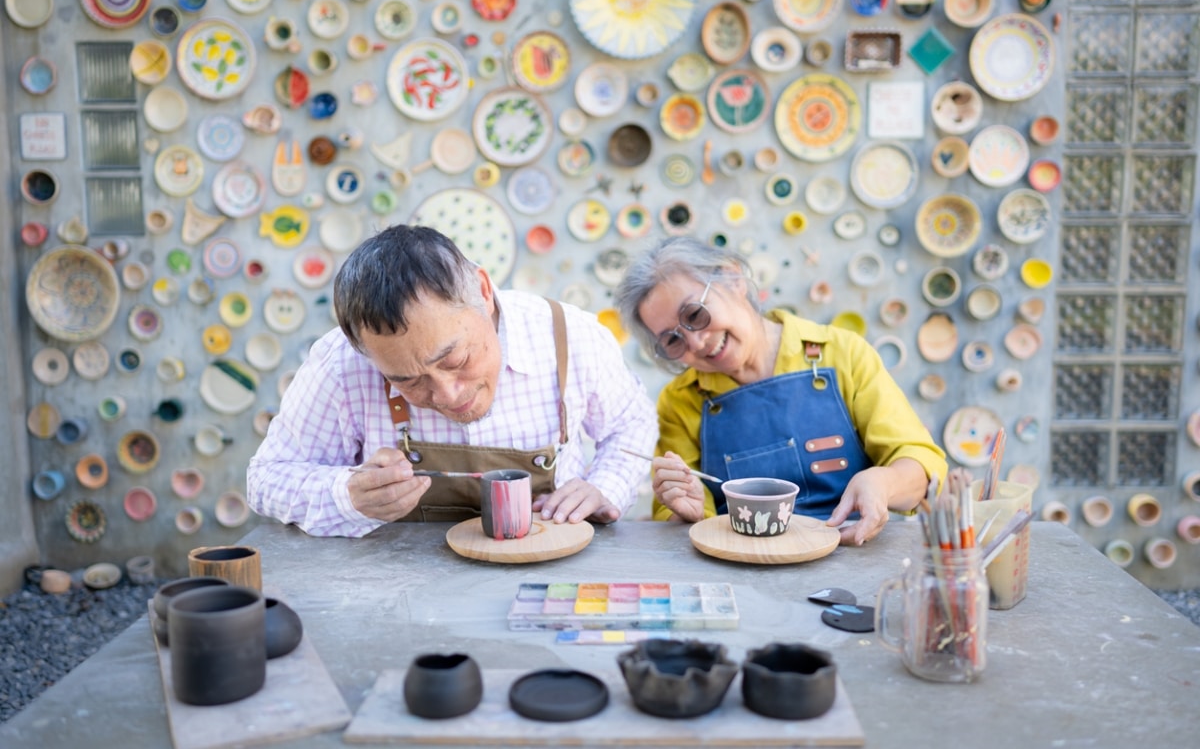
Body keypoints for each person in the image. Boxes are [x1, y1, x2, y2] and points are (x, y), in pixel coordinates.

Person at [247, 225, 657, 537]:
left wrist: (604, 486)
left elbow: (630, 425)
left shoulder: (570, 336)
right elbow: (266, 478)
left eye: (456, 358)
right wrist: (347, 494)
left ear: (482, 292)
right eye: (407, 381)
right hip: (399, 595)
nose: (447, 394)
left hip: (552, 576)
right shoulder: (339, 363)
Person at [614, 237, 947, 546]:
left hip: (852, 554)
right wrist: (685, 512)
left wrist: (884, 484)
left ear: (733, 279)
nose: (697, 342)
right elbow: (679, 521)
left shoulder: (842, 353)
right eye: (673, 340)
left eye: (695, 314)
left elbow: (923, 469)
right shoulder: (681, 400)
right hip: (743, 570)